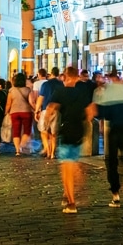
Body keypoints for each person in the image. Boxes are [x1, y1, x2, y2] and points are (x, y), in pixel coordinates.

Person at [46, 67, 97, 214]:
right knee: (73, 163)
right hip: (79, 131)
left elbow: (50, 109)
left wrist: (47, 122)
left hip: (66, 130)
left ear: (66, 77)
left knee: (66, 170)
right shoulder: (82, 92)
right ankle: (72, 190)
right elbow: (90, 113)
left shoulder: (60, 92)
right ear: (76, 78)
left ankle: (71, 202)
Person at [94, 70, 123, 208]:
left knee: (111, 161)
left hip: (113, 128)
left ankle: (115, 194)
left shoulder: (106, 91)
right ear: (119, 77)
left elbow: (102, 113)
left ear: (110, 77)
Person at [35, 67, 64, 159]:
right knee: (54, 134)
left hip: (46, 110)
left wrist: (36, 110)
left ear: (51, 73)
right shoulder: (61, 84)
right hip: (57, 110)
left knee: (44, 131)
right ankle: (52, 154)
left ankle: (47, 151)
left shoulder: (46, 84)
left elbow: (41, 98)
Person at [7, 73, 34, 155]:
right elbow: (31, 102)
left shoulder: (11, 90)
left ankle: (17, 150)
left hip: (14, 112)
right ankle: (22, 145)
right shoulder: (28, 90)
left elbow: (8, 103)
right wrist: (36, 109)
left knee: (16, 131)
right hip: (26, 112)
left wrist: (6, 112)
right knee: (27, 131)